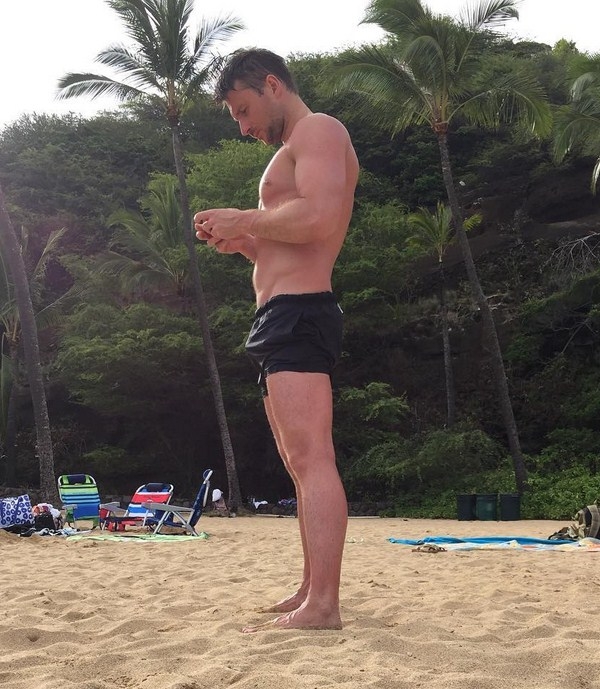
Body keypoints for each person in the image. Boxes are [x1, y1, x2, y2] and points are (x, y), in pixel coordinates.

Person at [194, 49, 359, 633]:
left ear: (272, 85)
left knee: (313, 459)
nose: (243, 127)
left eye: (243, 110)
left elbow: (319, 218)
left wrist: (244, 218)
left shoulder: (319, 130)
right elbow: (288, 243)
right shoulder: (294, 149)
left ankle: (324, 605)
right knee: (299, 464)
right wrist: (244, 242)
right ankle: (311, 589)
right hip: (281, 316)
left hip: (301, 314)